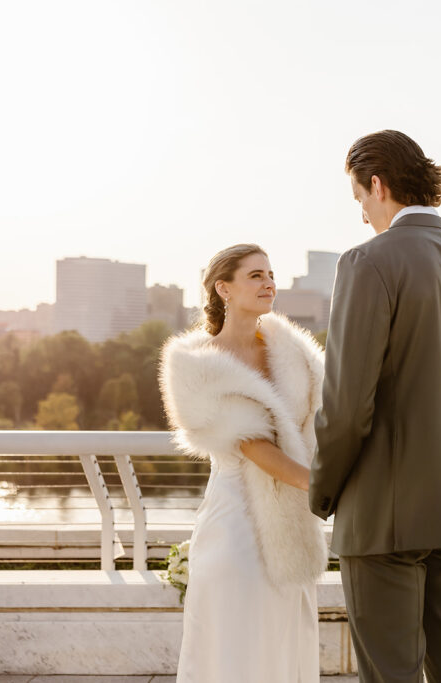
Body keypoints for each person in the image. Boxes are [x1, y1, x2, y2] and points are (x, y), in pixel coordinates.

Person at [309, 130, 441, 683]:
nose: (363, 216)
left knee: (390, 673)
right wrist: (439, 463)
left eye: (360, 201)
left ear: (378, 184)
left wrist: (322, 491)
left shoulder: (367, 263)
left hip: (379, 514)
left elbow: (347, 407)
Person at [159, 244, 328, 683]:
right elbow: (253, 445)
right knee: (237, 639)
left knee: (284, 635)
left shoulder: (295, 355)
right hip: (235, 521)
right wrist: (326, 488)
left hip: (293, 521)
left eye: (271, 273)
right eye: (255, 275)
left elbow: (330, 420)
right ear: (224, 288)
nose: (269, 282)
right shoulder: (197, 366)